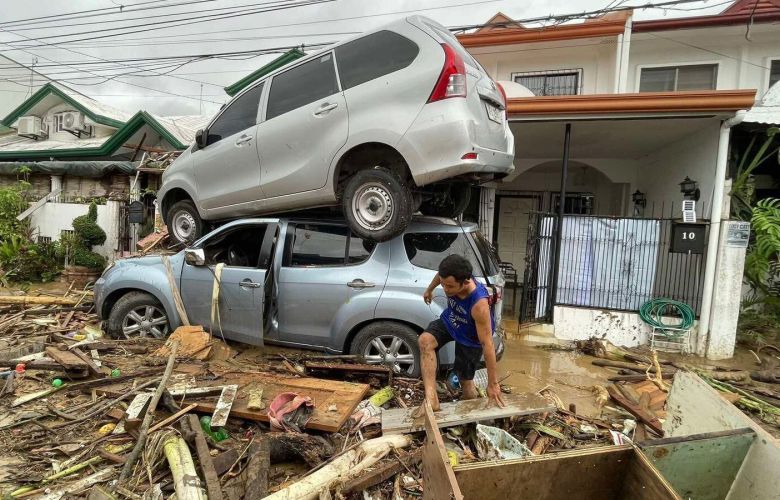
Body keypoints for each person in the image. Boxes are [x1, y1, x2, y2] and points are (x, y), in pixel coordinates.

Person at [418, 254, 506, 411]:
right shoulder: (450, 276)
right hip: (452, 321)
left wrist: (493, 384)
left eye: (450, 287)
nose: (445, 289)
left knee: (465, 381)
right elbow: (440, 276)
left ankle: (470, 413)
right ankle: (431, 399)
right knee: (425, 341)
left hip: (471, 338)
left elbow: (487, 344)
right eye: (444, 285)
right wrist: (429, 290)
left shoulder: (479, 304)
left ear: (465, 282)